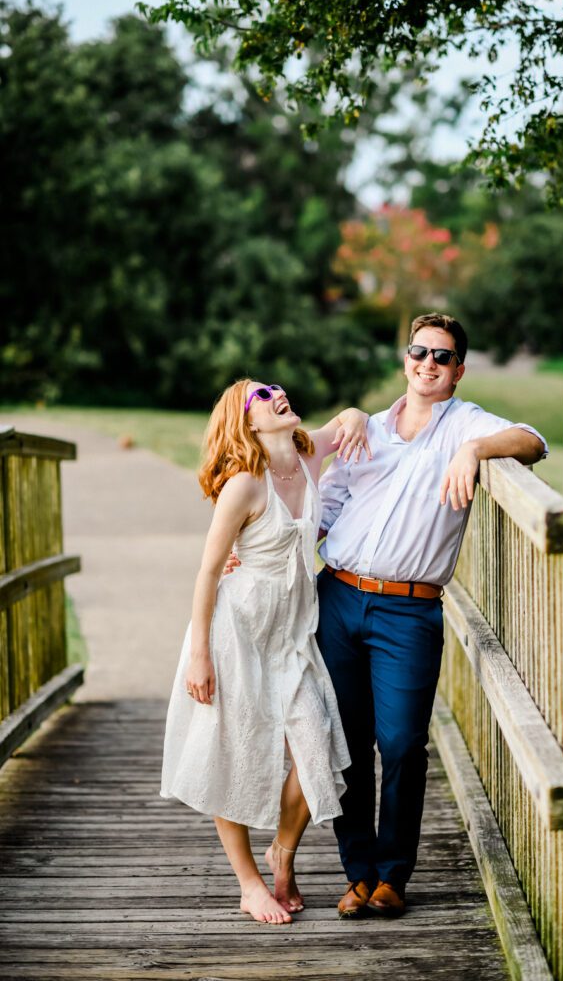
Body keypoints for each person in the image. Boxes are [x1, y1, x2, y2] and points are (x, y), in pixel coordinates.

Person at [315, 312, 548, 919]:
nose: (428, 363)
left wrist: (474, 449)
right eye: (419, 352)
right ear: (405, 359)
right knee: (346, 741)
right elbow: (329, 503)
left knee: (400, 743)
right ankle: (358, 874)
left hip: (407, 611)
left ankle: (394, 873)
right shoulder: (365, 428)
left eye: (441, 357)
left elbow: (533, 439)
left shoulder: (465, 424)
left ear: (458, 371)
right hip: (337, 596)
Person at [160, 379, 371, 925]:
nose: (277, 393)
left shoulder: (306, 452)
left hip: (292, 636)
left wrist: (356, 415)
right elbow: (208, 571)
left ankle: (282, 850)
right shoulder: (244, 487)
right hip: (238, 633)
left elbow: (349, 415)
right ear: (248, 421)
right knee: (227, 752)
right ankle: (249, 884)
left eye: (276, 387)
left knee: (315, 743)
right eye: (261, 394)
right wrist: (200, 655)